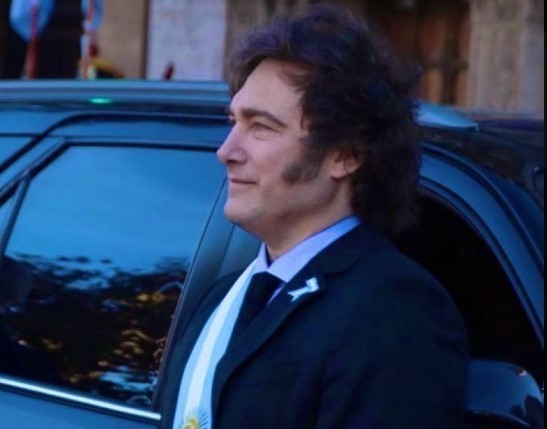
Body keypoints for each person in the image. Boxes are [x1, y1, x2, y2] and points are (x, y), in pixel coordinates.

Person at [162, 6, 469, 429]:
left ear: (346, 154)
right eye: (233, 121)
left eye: (261, 126)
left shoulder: (396, 312)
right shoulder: (220, 300)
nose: (226, 151)